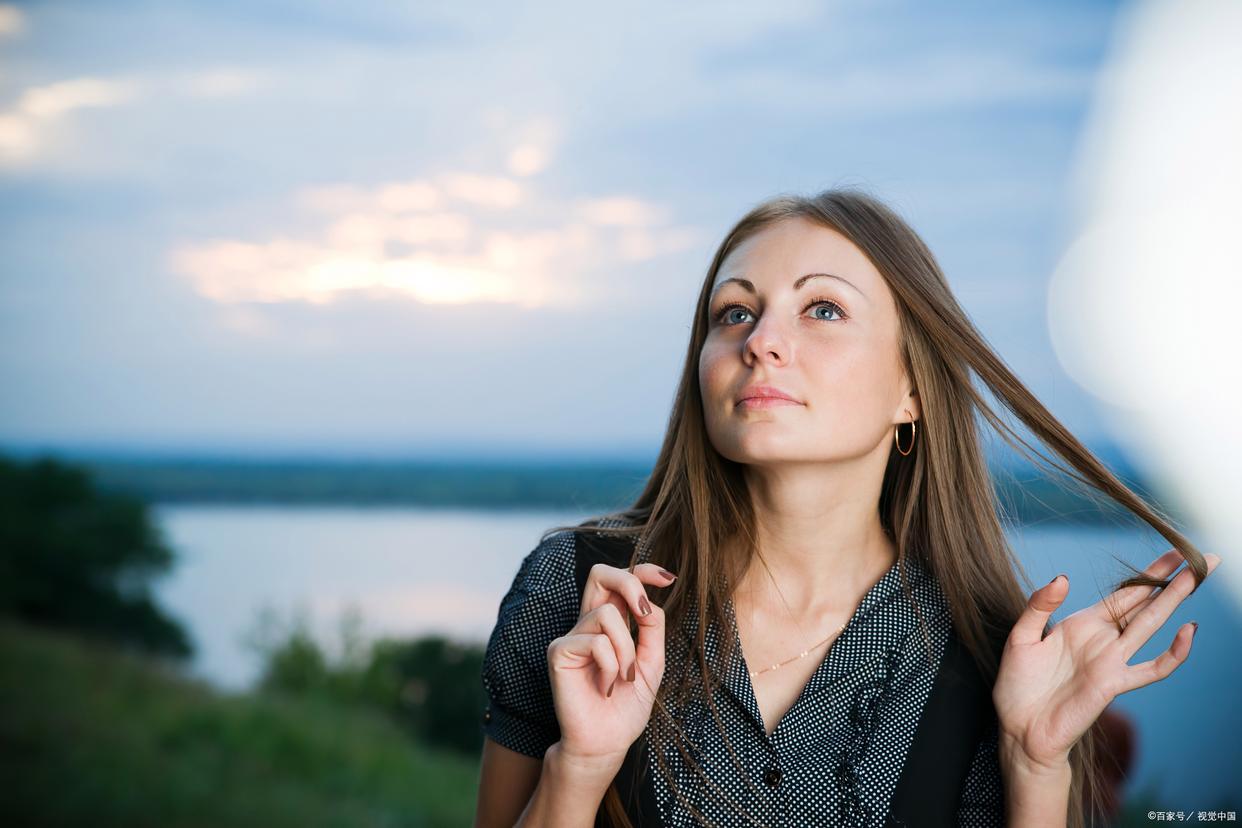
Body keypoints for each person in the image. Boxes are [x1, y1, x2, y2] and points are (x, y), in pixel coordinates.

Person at [472, 188, 1220, 828]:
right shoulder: (579, 590)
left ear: (913, 391)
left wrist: (1035, 766)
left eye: (822, 309)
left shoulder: (996, 663)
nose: (761, 342)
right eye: (734, 313)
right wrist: (580, 768)